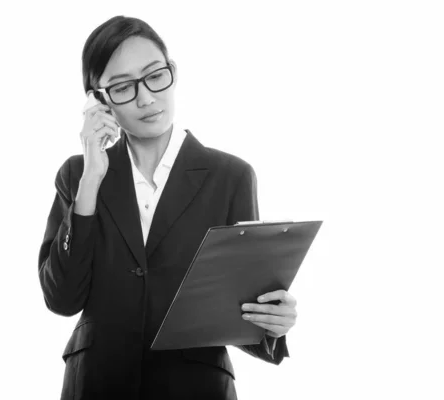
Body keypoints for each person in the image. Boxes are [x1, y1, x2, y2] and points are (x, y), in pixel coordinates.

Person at [38, 15, 298, 399]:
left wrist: (271, 323)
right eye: (123, 87)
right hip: (97, 384)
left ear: (172, 71)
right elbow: (62, 299)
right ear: (98, 99)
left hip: (196, 386)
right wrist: (91, 179)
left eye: (155, 76)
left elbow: (237, 307)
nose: (146, 98)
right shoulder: (79, 175)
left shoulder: (231, 176)